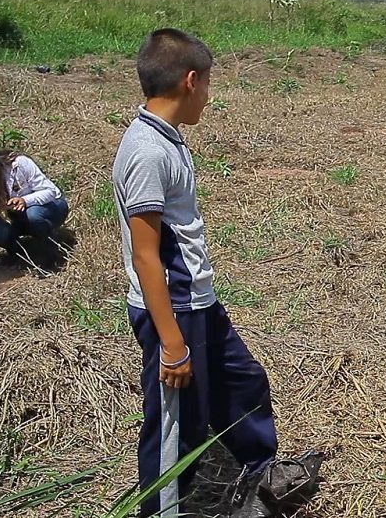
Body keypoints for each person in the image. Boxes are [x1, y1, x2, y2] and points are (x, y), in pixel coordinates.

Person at [112, 28, 278, 518]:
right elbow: (146, 255)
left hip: (198, 300)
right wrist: (172, 342)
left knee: (243, 383)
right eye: (207, 85)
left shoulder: (168, 138)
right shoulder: (146, 151)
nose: (208, 95)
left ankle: (262, 479)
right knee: (176, 429)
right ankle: (161, 509)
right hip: (174, 309)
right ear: (189, 81)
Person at [0, 149, 68, 260]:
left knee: (34, 214)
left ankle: (51, 254)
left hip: (52, 206)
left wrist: (24, 200)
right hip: (18, 216)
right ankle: (22, 255)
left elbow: (50, 192)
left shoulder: (18, 163)